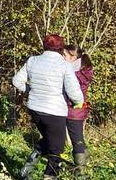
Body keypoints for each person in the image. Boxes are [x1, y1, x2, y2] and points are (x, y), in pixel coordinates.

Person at [13, 35, 84, 180]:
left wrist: (29, 90)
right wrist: (79, 102)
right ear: (61, 48)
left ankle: (25, 172)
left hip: (35, 109)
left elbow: (16, 81)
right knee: (56, 148)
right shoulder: (64, 65)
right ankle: (50, 176)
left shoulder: (33, 60)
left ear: (44, 45)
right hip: (54, 111)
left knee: (48, 140)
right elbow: (73, 90)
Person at [63, 44, 94, 179]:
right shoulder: (82, 69)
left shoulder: (74, 72)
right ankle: (85, 161)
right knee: (78, 138)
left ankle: (80, 172)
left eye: (65, 55)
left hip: (73, 109)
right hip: (78, 109)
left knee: (77, 140)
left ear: (73, 57)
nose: (62, 58)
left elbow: (73, 93)